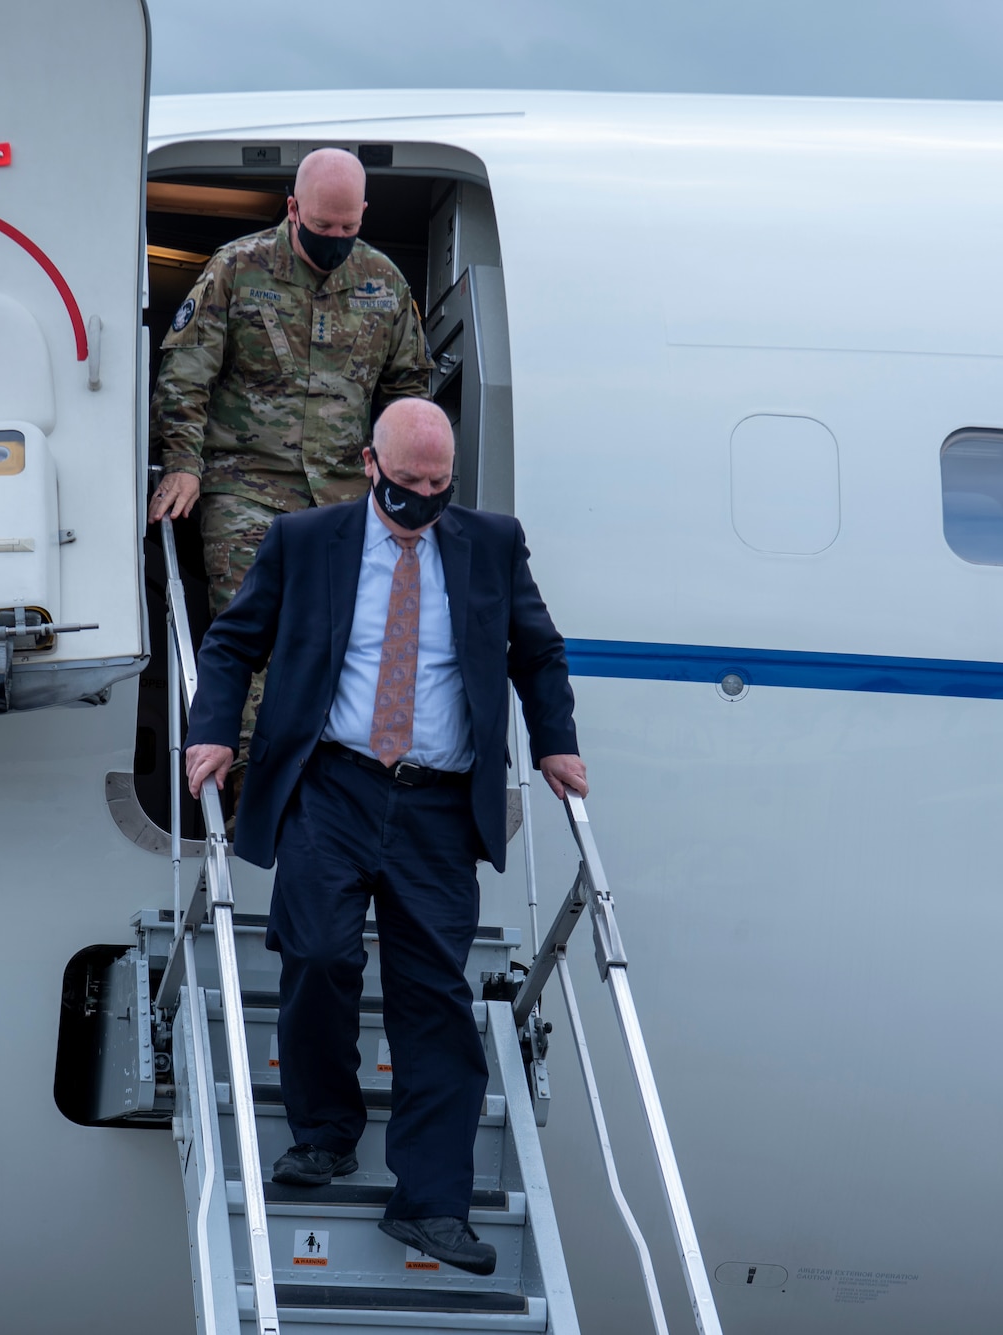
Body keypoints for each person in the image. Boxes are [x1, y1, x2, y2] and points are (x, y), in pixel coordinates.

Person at [183, 398, 587, 1276]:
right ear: (371, 465)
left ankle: (433, 1203)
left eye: (440, 486)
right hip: (335, 785)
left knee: (434, 997)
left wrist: (556, 740)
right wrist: (210, 729)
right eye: (408, 483)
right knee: (320, 953)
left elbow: (537, 651)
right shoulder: (306, 539)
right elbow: (231, 642)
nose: (424, 499)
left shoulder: (491, 542)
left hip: (438, 805)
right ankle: (326, 1131)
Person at [148, 147, 433, 790]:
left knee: (342, 635)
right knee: (252, 626)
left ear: (362, 214)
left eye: (346, 229)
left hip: (342, 491)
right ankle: (248, 779)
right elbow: (185, 376)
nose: (334, 240)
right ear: (293, 208)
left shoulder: (384, 284)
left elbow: (407, 391)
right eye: (321, 227)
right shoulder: (237, 269)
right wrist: (184, 465)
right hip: (248, 483)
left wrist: (401, 479)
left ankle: (328, 783)